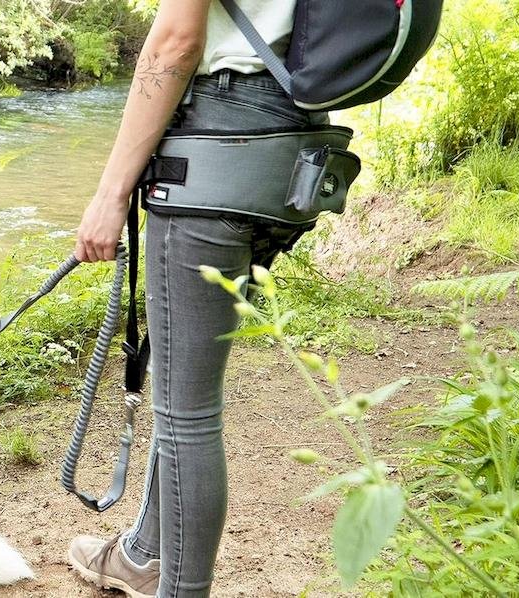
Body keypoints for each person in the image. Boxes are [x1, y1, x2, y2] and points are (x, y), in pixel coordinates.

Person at [67, 1, 327, 597]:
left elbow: (175, 43)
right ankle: (144, 554)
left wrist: (111, 193)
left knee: (187, 414)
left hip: (219, 137)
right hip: (293, 141)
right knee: (181, 377)